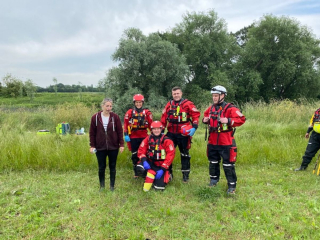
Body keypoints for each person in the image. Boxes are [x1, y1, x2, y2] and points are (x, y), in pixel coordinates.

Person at [202, 85, 246, 195]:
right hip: (212, 140)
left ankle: (231, 185)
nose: (214, 98)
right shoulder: (211, 108)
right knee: (213, 162)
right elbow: (205, 115)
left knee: (228, 165)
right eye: (213, 96)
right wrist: (205, 120)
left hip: (225, 141)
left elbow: (241, 119)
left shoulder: (230, 108)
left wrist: (229, 120)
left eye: (216, 96)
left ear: (222, 96)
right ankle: (213, 180)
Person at [161, 86, 200, 182]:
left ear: (181, 93)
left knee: (185, 155)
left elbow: (195, 115)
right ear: (172, 94)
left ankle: (185, 176)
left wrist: (194, 127)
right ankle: (168, 174)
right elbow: (164, 118)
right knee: (168, 153)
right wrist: (161, 131)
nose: (176, 95)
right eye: (174, 94)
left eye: (178, 93)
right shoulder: (169, 105)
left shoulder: (188, 104)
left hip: (183, 134)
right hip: (171, 133)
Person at [89, 98, 124, 191]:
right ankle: (102, 186)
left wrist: (121, 145)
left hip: (113, 146)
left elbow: (120, 131)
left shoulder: (115, 117)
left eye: (110, 106)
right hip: (100, 147)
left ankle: (112, 186)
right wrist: (92, 146)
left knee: (112, 167)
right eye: (107, 106)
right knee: (101, 167)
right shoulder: (95, 118)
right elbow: (92, 133)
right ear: (102, 106)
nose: (109, 108)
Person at [137, 121, 175, 191]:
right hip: (150, 163)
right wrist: (144, 161)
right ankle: (149, 175)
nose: (156, 130)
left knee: (158, 188)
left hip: (161, 166)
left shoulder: (167, 140)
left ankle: (168, 175)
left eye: (158, 129)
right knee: (139, 167)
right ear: (151, 130)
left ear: (161, 129)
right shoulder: (148, 139)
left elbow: (170, 155)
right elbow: (141, 150)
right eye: (154, 129)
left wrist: (163, 168)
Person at [124, 94, 153, 178]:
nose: (138, 104)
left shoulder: (147, 113)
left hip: (144, 136)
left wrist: (154, 136)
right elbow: (125, 125)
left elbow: (151, 126)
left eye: (140, 102)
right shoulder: (129, 112)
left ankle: (146, 171)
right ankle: (136, 173)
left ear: (142, 102)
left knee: (146, 153)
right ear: (134, 103)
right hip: (133, 136)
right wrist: (126, 135)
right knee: (134, 154)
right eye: (137, 102)